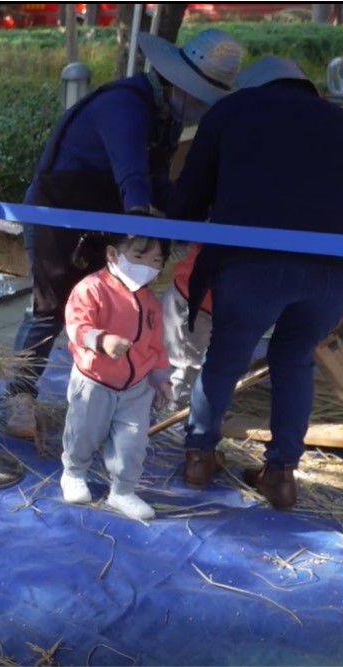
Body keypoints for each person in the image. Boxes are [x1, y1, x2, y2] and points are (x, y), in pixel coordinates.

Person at [4, 29, 244, 440]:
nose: (200, 108)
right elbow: (132, 176)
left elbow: (155, 181)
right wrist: (139, 225)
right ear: (176, 82)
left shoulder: (166, 118)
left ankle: (102, 395)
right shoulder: (124, 104)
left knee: (111, 307)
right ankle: (19, 396)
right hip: (58, 210)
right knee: (50, 308)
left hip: (105, 214)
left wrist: (194, 216)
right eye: (199, 97)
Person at [170, 55, 343, 509]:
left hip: (252, 263)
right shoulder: (338, 119)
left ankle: (199, 457)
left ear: (252, 86)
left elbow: (188, 200)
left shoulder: (232, 109)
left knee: (225, 356)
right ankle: (282, 475)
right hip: (332, 268)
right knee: (295, 362)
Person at [60, 234, 173, 521]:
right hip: (94, 380)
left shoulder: (151, 302)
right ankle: (74, 473)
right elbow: (77, 326)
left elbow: (156, 345)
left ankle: (123, 491)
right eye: (139, 257)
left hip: (136, 387)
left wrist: (161, 378)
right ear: (113, 254)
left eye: (156, 260)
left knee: (133, 441)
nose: (147, 266)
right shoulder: (91, 288)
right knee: (84, 431)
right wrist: (101, 340)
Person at [159, 243, 213, 411]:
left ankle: (174, 409)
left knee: (185, 367)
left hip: (202, 297)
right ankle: (173, 413)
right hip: (194, 299)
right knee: (183, 368)